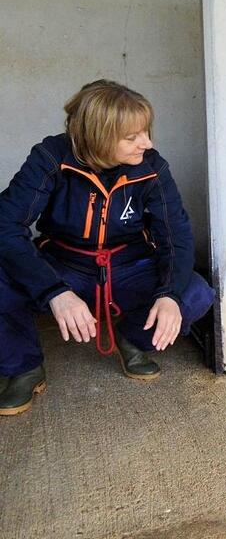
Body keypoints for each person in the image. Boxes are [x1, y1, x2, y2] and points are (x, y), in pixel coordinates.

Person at [0, 80, 215, 415]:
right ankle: (23, 368)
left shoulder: (152, 167)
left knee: (195, 294)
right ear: (97, 136)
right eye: (132, 137)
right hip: (64, 264)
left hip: (129, 266)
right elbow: (6, 227)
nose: (147, 143)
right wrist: (53, 290)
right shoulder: (51, 157)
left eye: (146, 131)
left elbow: (177, 236)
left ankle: (131, 339)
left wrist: (170, 295)